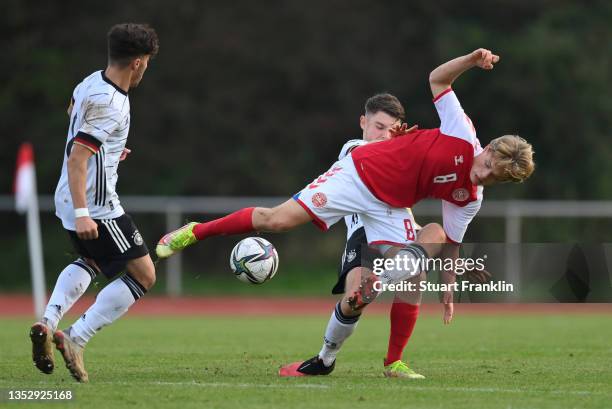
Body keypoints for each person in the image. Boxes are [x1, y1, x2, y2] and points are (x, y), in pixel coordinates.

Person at [156, 47, 534, 373]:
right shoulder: (462, 133)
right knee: (278, 221)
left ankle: (394, 361)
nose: (480, 174)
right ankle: (195, 231)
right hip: (358, 176)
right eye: (485, 164)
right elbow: (438, 80)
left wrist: (450, 289)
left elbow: (450, 243)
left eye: (491, 178)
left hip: (390, 205)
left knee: (427, 250)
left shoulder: (471, 196)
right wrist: (471, 59)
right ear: (486, 148)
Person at [29, 23, 159, 383]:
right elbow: (77, 156)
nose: (146, 69)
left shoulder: (90, 82)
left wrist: (111, 152)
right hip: (96, 206)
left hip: (67, 198)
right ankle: (75, 338)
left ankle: (48, 321)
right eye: (147, 62)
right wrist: (87, 213)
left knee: (89, 260)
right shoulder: (112, 103)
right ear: (136, 62)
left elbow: (77, 122)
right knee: (144, 274)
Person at [277, 93, 429, 378]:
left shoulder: (402, 159)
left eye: (391, 130)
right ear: (363, 122)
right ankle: (325, 359)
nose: (383, 135)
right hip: (362, 239)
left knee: (415, 276)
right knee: (354, 299)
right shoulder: (353, 148)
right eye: (378, 127)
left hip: (391, 236)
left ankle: (394, 363)